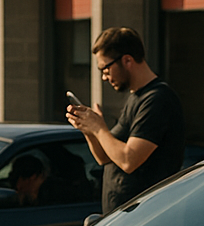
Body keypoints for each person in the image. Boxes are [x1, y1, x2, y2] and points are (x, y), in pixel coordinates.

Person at [66, 26, 185, 214]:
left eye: (105, 68)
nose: (104, 77)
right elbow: (104, 157)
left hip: (146, 221)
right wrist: (88, 129)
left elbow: (129, 160)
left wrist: (99, 128)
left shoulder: (157, 99)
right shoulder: (134, 98)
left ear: (127, 60)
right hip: (121, 220)